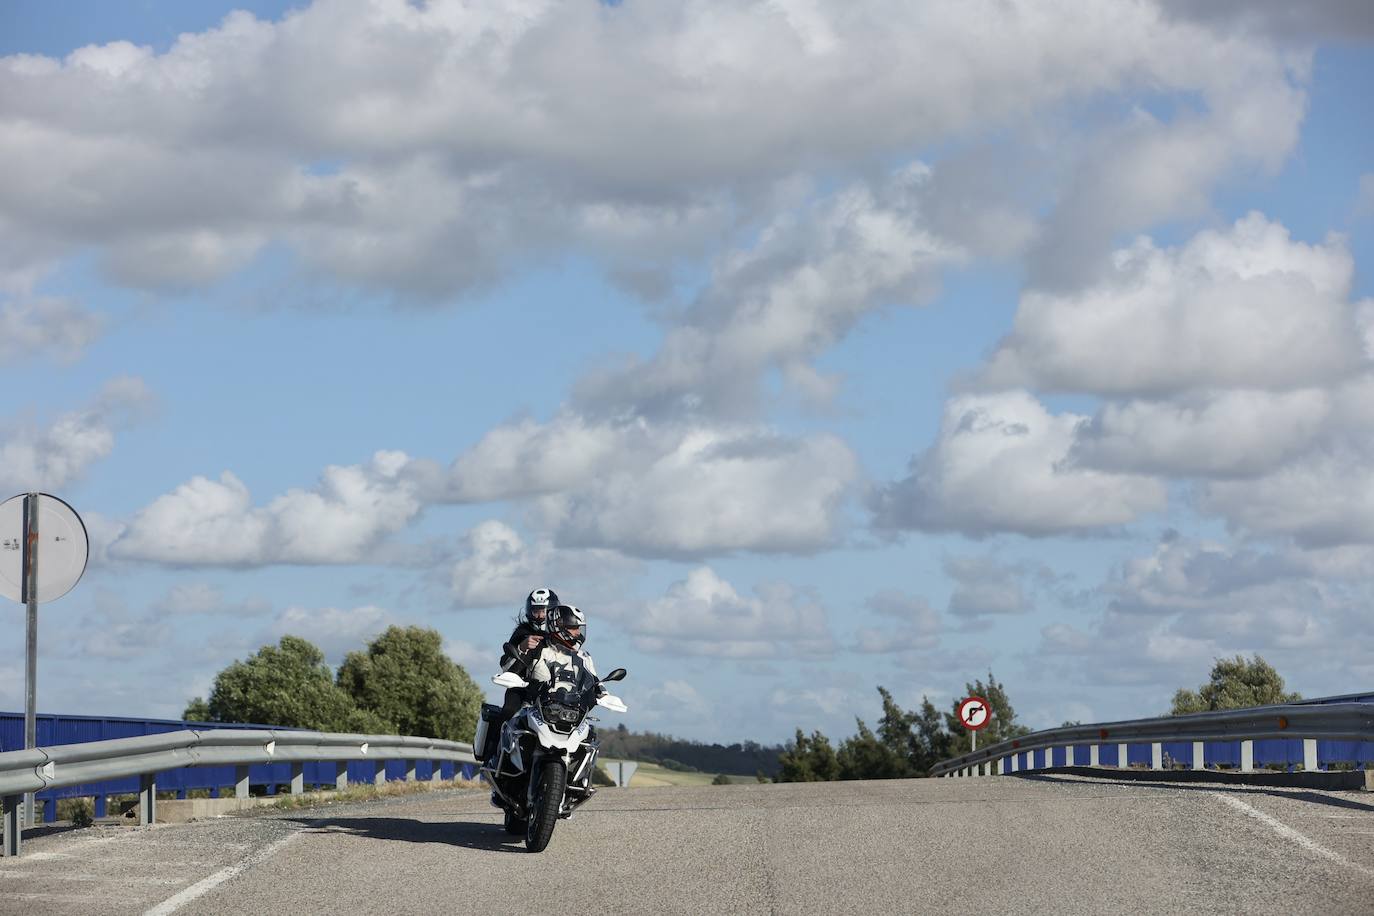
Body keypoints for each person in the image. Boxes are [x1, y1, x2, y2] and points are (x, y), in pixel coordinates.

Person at [485, 587, 559, 763]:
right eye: (535, 611)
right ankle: (494, 757)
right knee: (509, 711)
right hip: (522, 686)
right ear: (529, 611)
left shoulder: (559, 634)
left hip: (552, 689)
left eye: (543, 611)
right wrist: (522, 647)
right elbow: (505, 666)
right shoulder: (522, 633)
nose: (539, 615)